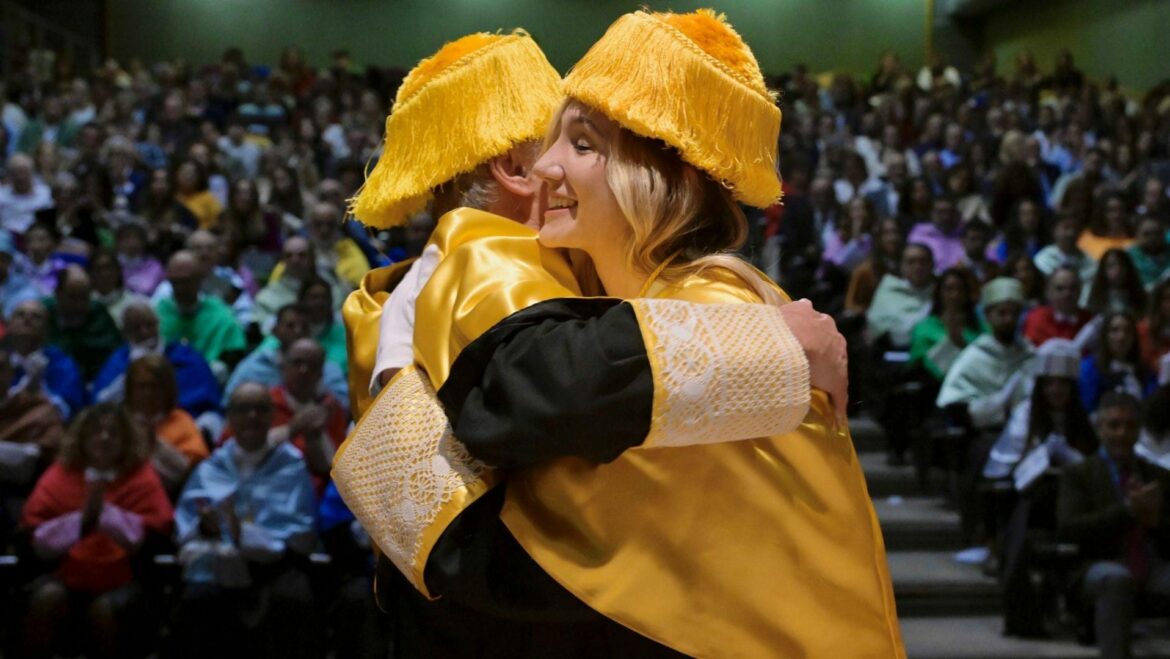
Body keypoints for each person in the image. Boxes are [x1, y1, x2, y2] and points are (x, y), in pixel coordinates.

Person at [337, 13, 897, 657]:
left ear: (661, 176)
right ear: (513, 165)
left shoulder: (709, 297)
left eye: (578, 143)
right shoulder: (487, 254)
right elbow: (528, 406)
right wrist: (780, 346)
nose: (549, 164)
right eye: (549, 140)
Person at [172, 382, 318, 659]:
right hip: (219, 562)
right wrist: (207, 527)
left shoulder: (291, 464)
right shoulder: (211, 467)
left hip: (277, 565)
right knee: (198, 599)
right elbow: (185, 525)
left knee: (292, 599)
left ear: (272, 416)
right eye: (243, 409)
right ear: (229, 417)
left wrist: (247, 535)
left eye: (260, 409)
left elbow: (303, 531)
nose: (252, 416)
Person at [20, 403, 174, 659]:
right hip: (66, 572)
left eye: (113, 432)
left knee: (106, 610)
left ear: (125, 440)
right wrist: (83, 521)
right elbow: (32, 533)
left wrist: (107, 517)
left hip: (127, 576)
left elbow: (156, 535)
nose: (104, 438)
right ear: (82, 438)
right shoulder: (60, 474)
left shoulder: (142, 476)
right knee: (46, 598)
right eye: (96, 431)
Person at [982, 339, 1097, 637]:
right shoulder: (1025, 414)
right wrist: (1042, 455)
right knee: (1019, 531)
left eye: (1063, 384)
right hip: (1036, 499)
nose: (1056, 390)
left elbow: (1094, 466)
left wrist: (1070, 458)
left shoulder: (1083, 421)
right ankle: (1024, 618)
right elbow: (1008, 461)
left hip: (1077, 503)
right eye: (1050, 384)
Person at [1057, 392, 1170, 659]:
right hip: (1097, 563)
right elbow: (1070, 528)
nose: (1122, 433)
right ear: (1100, 429)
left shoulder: (1158, 476)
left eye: (1130, 426)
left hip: (1151, 563)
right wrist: (1128, 511)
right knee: (1116, 579)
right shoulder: (1079, 474)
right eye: (1114, 425)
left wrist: (1155, 521)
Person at [92, 303, 222, 422]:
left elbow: (207, 400)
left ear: (158, 324)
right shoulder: (120, 359)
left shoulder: (184, 354)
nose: (145, 332)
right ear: (125, 333)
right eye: (136, 328)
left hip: (186, 420)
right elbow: (101, 404)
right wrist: (134, 367)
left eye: (149, 325)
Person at [222, 303, 348, 410]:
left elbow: (345, 407)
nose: (298, 331)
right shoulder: (255, 366)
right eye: (290, 326)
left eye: (304, 326)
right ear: (275, 331)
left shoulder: (328, 368)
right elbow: (229, 403)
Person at [123, 354, 208, 495]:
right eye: (141, 386)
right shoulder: (118, 422)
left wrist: (155, 443)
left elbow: (192, 472)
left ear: (168, 390)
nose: (148, 393)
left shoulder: (181, 420)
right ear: (130, 390)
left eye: (155, 386)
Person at [155, 250, 247, 377]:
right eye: (176, 282)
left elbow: (233, 355)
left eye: (186, 281)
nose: (181, 288)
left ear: (200, 279)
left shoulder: (220, 314)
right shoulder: (157, 313)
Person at [4, 299, 86, 418]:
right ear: (9, 325)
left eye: (36, 316)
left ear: (46, 329)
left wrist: (41, 389)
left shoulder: (61, 363)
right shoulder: (2, 359)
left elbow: (67, 412)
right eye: (20, 315)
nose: (27, 319)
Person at [43, 265, 122, 381]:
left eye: (84, 298)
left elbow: (115, 352)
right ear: (58, 294)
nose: (79, 305)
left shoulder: (98, 312)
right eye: (73, 298)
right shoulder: (43, 313)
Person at [909, 268, 983, 382]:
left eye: (960, 289)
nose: (955, 295)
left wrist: (960, 343)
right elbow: (918, 365)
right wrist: (949, 342)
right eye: (949, 289)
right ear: (939, 293)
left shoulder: (982, 328)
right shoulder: (924, 328)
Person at [865, 242, 936, 348]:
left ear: (932, 264)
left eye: (923, 262)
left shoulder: (941, 291)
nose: (918, 267)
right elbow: (876, 322)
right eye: (911, 262)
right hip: (888, 351)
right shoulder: (889, 289)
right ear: (902, 266)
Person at [1079, 312, 1151, 412]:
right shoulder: (1090, 367)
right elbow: (1088, 406)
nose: (1121, 336)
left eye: (1127, 331)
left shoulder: (1144, 370)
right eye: (1114, 330)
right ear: (1105, 335)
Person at [1022, 265, 1094, 348]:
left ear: (1080, 290)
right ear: (1049, 291)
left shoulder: (1090, 321)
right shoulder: (1035, 318)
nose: (1067, 294)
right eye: (1060, 288)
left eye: (1072, 288)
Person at [88, 249, 147, 331]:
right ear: (91, 274)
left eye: (108, 267)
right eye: (99, 269)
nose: (104, 273)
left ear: (118, 270)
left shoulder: (135, 302)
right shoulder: (87, 304)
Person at [1034, 213, 1097, 285]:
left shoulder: (1089, 262)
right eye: (1066, 227)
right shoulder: (1043, 259)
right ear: (1054, 230)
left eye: (1075, 228)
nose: (1071, 233)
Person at [0, 153, 53, 235]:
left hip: (35, 237)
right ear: (9, 175)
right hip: (7, 237)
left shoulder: (44, 193)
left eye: (24, 172)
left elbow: (48, 223)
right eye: (16, 173)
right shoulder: (2, 195)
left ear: (32, 173)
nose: (20, 177)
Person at [908, 196, 965, 272]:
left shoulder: (966, 233)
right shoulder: (919, 233)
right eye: (941, 212)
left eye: (950, 212)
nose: (946, 217)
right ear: (932, 213)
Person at [1085, 248, 1147, 317]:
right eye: (1111, 266)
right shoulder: (1096, 300)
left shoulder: (1139, 298)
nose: (1118, 269)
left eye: (1121, 264)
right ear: (1103, 271)